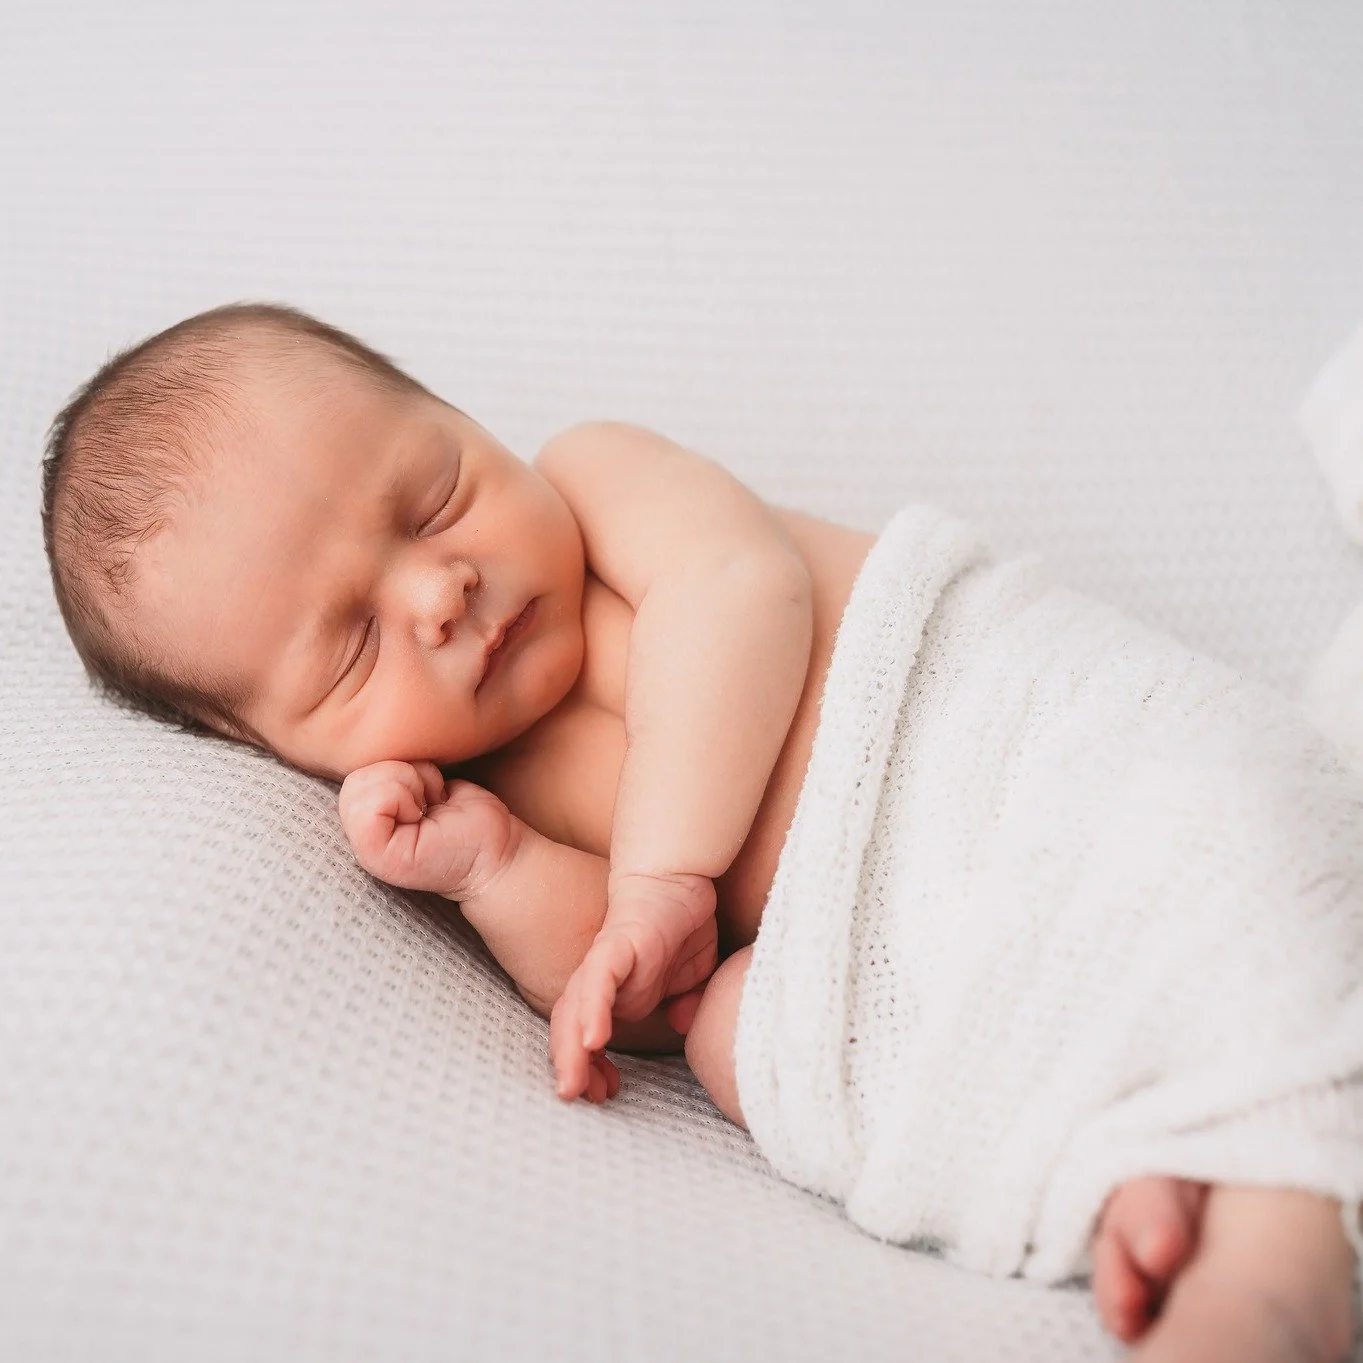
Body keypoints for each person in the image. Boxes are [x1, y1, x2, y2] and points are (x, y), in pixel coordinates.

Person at [40, 302, 1359, 1360]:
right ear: (280, 750)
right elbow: (647, 997)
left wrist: (663, 876)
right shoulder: (480, 792)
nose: (439, 590)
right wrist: (496, 870)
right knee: (738, 1032)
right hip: (930, 940)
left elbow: (741, 589)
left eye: (435, 496)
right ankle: (1111, 1143)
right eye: (352, 647)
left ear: (458, 417)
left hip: (1027, 745)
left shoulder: (598, 479)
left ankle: (1267, 1246)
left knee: (1207, 848)